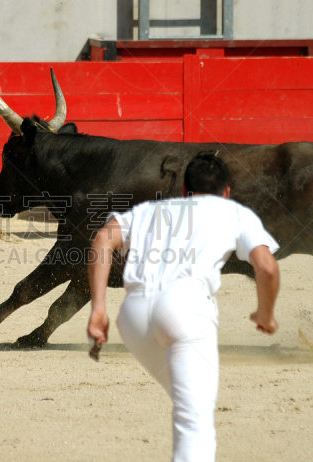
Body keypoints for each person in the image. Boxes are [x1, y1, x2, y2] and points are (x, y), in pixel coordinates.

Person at [87, 153, 281, 462]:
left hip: (133, 316)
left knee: (188, 404)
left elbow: (102, 239)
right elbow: (267, 268)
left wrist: (99, 307)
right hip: (184, 310)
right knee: (194, 419)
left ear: (183, 190)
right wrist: (265, 314)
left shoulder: (150, 208)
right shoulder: (234, 212)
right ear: (227, 191)